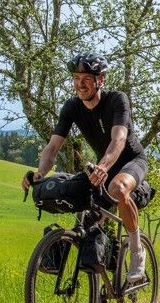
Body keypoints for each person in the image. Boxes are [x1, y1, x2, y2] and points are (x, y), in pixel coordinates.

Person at [22, 51, 149, 284]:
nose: (80, 84)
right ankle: (98, 295)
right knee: (88, 228)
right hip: (104, 167)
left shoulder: (117, 100)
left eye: (86, 79)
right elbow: (53, 147)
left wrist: (103, 166)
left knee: (118, 188)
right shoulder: (72, 107)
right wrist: (40, 172)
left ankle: (136, 250)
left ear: (100, 80)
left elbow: (119, 139)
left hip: (131, 162)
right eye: (76, 79)